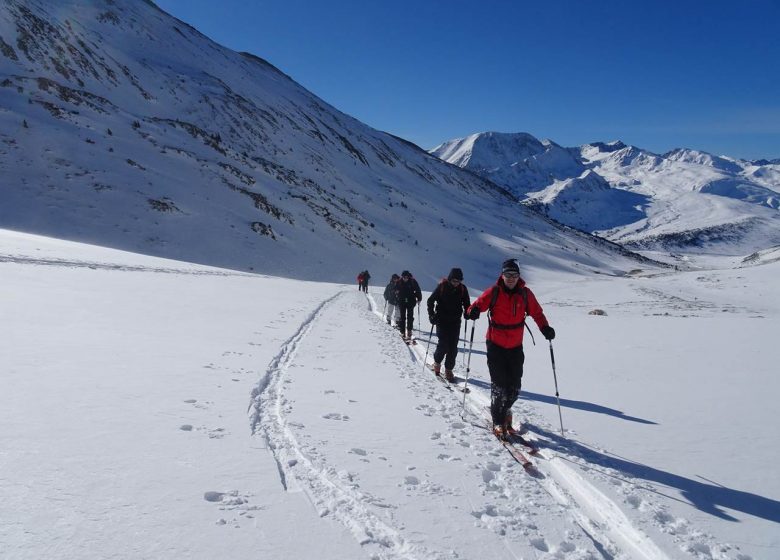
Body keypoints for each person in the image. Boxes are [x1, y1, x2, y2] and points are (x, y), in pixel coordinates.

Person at [465, 259, 555, 439]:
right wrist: (472, 312)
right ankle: (498, 421)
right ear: (502, 275)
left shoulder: (525, 294)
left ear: (519, 276)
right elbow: (474, 307)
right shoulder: (494, 292)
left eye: (514, 275)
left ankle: (505, 410)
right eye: (508, 275)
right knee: (499, 386)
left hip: (515, 346)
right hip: (495, 344)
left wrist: (545, 327)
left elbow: (537, 313)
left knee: (514, 387)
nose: (511, 278)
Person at [427, 268, 470, 381]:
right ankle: (436, 363)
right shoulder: (442, 286)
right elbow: (430, 301)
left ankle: (448, 369)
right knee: (443, 344)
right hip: (441, 320)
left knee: (453, 348)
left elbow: (467, 305)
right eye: (454, 281)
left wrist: (468, 313)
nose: (456, 283)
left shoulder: (462, 289)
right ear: (450, 279)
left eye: (458, 281)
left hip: (455, 322)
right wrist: (431, 315)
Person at [395, 270, 422, 341]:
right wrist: (396, 292)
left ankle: (409, 331)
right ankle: (402, 332)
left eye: (406, 277)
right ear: (402, 276)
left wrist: (419, 298)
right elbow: (395, 289)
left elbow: (418, 290)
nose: (405, 279)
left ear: (409, 277)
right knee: (402, 317)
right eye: (404, 277)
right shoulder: (399, 282)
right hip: (402, 302)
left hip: (411, 301)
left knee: (410, 317)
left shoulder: (413, 282)